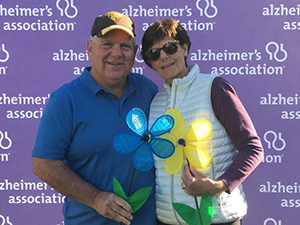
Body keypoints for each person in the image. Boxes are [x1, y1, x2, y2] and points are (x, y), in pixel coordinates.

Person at [31, 11, 158, 225]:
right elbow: (43, 164)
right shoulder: (65, 100)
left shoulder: (148, 90)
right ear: (90, 48)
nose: (117, 53)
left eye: (125, 46)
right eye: (107, 44)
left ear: (135, 52)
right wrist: (96, 198)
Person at [141, 18, 264, 225]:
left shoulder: (214, 88)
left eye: (170, 47)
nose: (163, 56)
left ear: (185, 48)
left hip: (217, 219)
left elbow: (253, 148)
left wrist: (219, 185)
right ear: (151, 63)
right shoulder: (155, 103)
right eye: (155, 53)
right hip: (166, 221)